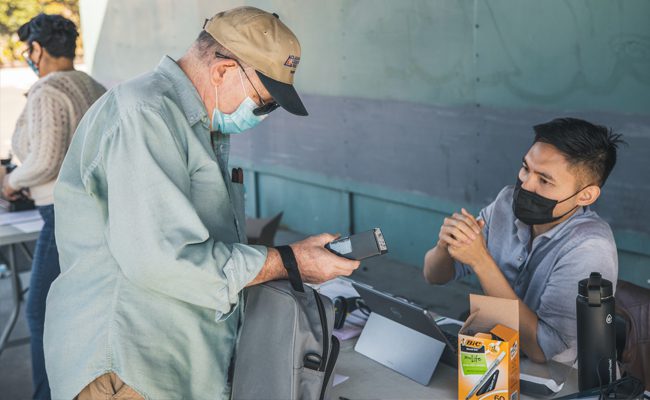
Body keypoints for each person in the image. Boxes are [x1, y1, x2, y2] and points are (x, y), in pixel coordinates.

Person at [43, 7, 359, 400]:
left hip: (173, 360)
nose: (262, 115)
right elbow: (161, 259)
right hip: (129, 369)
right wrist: (290, 261)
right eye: (264, 102)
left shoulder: (191, 122)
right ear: (223, 71)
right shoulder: (147, 113)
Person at [423, 118, 624, 363]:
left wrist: (481, 261)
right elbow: (434, 276)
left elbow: (543, 351)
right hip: (498, 350)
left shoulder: (590, 247)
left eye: (545, 180)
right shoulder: (506, 203)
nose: (526, 185)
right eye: (526, 168)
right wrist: (445, 246)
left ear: (585, 195)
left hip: (559, 378)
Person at [1, 14, 106, 400]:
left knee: (41, 316)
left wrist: (11, 181)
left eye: (29, 49)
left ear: (38, 49)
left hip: (60, 215)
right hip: (94, 212)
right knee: (77, 314)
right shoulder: (94, 86)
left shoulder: (47, 90)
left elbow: (45, 160)